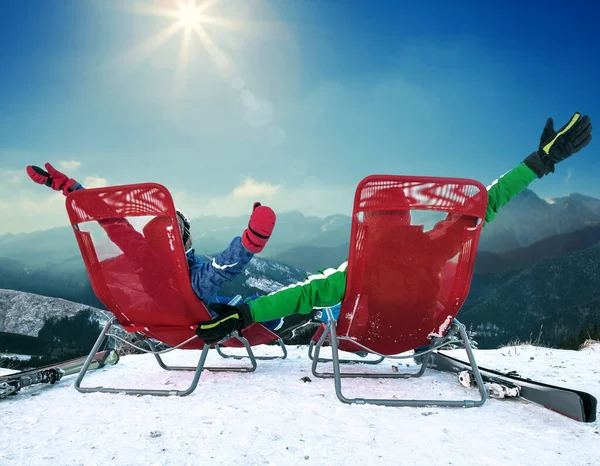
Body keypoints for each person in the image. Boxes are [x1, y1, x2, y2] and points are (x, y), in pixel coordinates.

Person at [195, 112, 593, 343]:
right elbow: (486, 203)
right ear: (406, 218)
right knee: (328, 304)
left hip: (371, 338)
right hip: (420, 334)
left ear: (368, 224)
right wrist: (540, 162)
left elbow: (302, 294)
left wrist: (243, 315)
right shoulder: (435, 246)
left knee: (325, 306)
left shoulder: (360, 269)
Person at [25, 163, 284, 331]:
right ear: (184, 242)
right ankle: (276, 317)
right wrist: (250, 242)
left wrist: (72, 190)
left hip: (161, 322)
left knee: (230, 301)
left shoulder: (143, 257)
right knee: (248, 305)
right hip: (201, 320)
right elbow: (223, 267)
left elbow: (113, 223)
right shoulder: (191, 280)